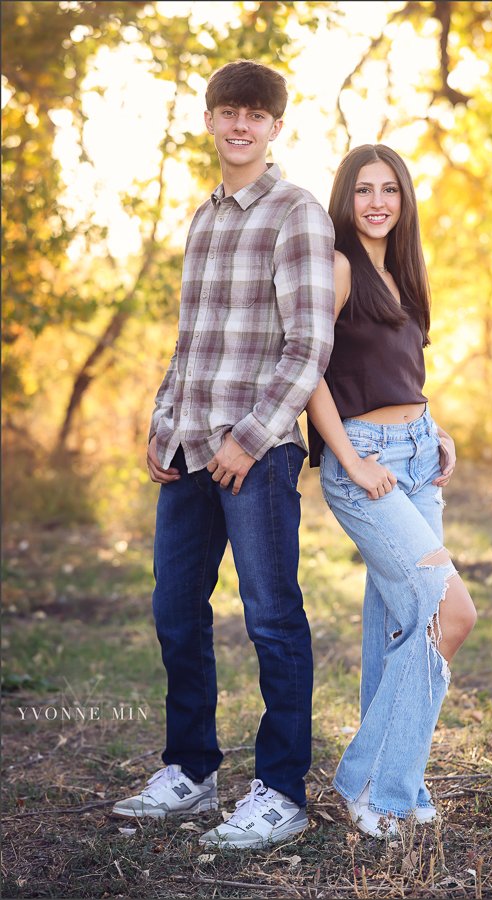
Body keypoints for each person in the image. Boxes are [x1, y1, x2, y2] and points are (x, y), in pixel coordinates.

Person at [112, 59, 336, 849]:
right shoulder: (203, 218)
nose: (239, 125)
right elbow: (190, 340)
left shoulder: (298, 214)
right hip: (188, 447)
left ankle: (280, 790)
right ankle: (192, 771)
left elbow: (309, 344)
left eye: (254, 114)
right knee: (176, 614)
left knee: (272, 620)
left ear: (276, 126)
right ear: (209, 121)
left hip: (257, 453)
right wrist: (161, 419)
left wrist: (246, 439)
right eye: (226, 111)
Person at [306, 144, 477, 836]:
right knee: (451, 612)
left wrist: (436, 429)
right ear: (345, 199)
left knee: (402, 625)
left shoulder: (402, 272)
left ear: (404, 199)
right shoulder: (340, 267)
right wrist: (348, 459)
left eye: (390, 190)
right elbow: (307, 371)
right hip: (365, 465)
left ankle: (384, 782)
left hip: (414, 456)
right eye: (363, 191)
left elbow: (400, 371)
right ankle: (377, 782)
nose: (377, 203)